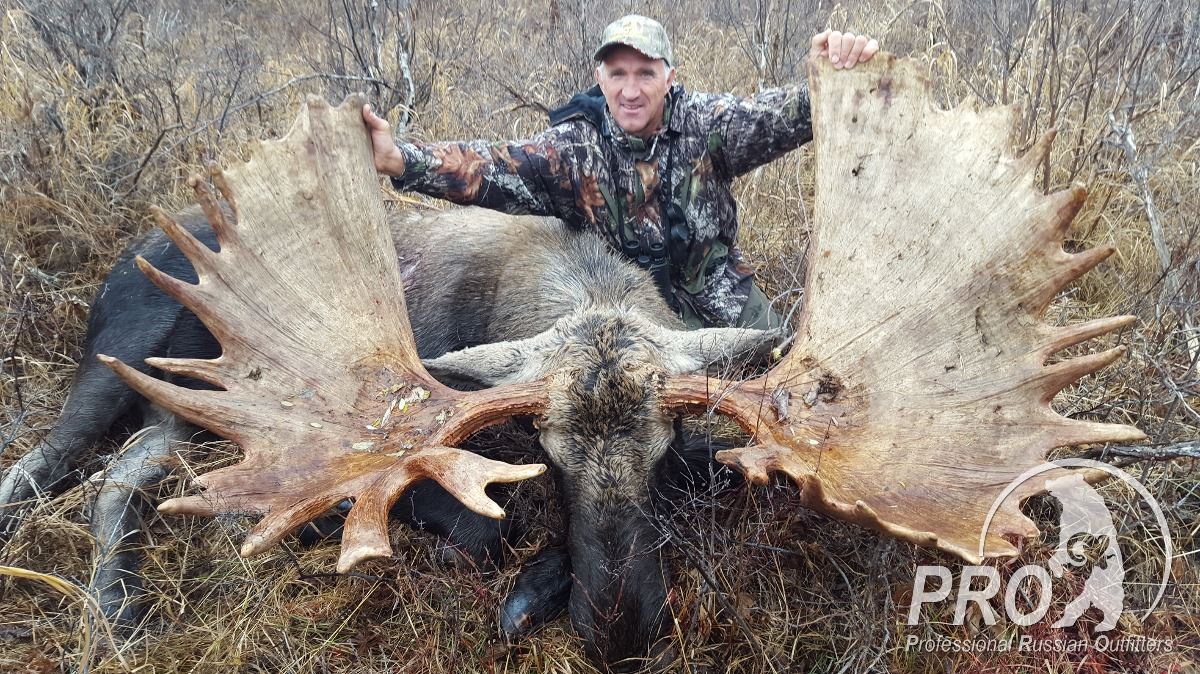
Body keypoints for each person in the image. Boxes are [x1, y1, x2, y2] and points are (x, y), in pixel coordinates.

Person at [364, 15, 878, 329]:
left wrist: (829, 76)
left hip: (720, 295)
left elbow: (780, 116)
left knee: (787, 380)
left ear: (669, 77)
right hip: (623, 313)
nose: (631, 91)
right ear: (600, 77)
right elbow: (489, 166)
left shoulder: (708, 124)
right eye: (618, 74)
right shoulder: (573, 149)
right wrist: (399, 159)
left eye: (646, 73)